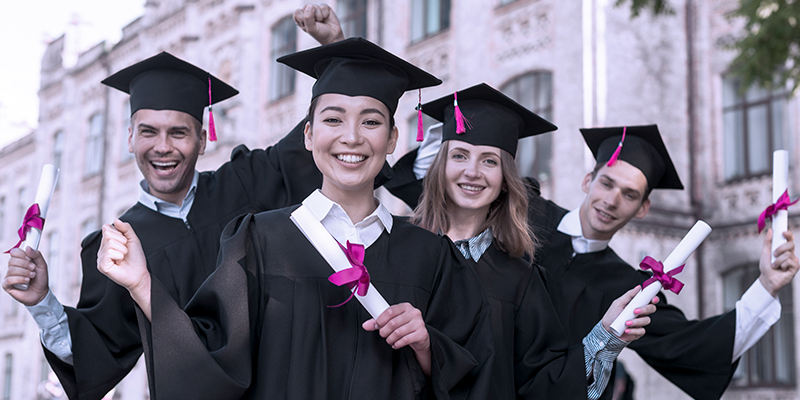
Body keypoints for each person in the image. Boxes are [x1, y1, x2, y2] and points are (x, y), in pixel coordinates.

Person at [98, 37, 495, 399]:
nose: (352, 137)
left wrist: (427, 347)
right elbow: (209, 361)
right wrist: (142, 284)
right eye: (333, 119)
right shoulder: (258, 241)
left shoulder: (432, 257)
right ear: (308, 135)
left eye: (371, 121)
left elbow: (477, 375)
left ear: (392, 139)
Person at [387, 124, 800, 399]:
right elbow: (437, 191)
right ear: (588, 181)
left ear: (642, 209)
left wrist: (767, 286)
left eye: (629, 194)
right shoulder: (522, 215)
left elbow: (699, 349)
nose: (611, 200)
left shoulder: (626, 288)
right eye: (606, 183)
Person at [2, 52, 322, 400]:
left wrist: (332, 57)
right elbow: (91, 356)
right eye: (148, 132)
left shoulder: (246, 183)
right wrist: (41, 302)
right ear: (130, 139)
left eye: (179, 133)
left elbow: (323, 144)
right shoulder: (118, 246)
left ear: (202, 138)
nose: (163, 147)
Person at [404, 83, 658, 399]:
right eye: (459, 155)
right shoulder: (397, 250)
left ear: (505, 180)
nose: (472, 172)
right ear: (440, 166)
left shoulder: (521, 280)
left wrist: (606, 334)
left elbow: (543, 385)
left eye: (489, 161)